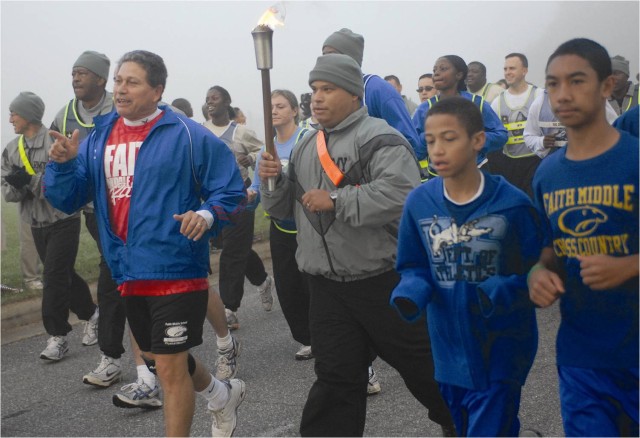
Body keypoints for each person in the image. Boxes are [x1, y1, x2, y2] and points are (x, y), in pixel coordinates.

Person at [44, 50, 247, 437]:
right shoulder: (99, 135)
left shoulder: (186, 133)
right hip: (127, 269)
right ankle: (221, 396)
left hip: (176, 268)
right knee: (160, 360)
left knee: (169, 368)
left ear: (157, 91)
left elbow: (230, 188)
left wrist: (205, 216)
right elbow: (67, 199)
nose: (121, 89)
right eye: (119, 80)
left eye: (132, 82)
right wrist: (65, 164)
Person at [259, 53, 455, 437]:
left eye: (328, 89)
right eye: (315, 89)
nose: (317, 97)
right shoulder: (304, 145)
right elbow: (284, 210)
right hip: (327, 288)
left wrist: (336, 201)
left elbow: (402, 194)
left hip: (382, 279)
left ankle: (467, 423)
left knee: (425, 369)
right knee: (335, 378)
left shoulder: (379, 136)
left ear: (353, 94)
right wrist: (273, 184)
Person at [391, 96, 542, 436]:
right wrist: (412, 289)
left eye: (449, 138)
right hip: (448, 355)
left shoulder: (512, 204)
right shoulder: (420, 202)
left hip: (501, 351)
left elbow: (539, 268)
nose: (437, 150)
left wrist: (503, 289)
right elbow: (412, 263)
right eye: (430, 141)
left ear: (478, 141)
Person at [528, 38, 638, 437]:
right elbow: (547, 247)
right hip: (582, 355)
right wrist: (537, 273)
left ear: (607, 86)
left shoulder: (634, 160)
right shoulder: (548, 174)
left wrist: (629, 264)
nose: (563, 95)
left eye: (576, 81)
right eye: (553, 84)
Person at [2, 92, 97, 362]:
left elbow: (63, 187)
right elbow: (7, 193)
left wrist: (30, 181)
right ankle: (92, 313)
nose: (10, 118)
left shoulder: (56, 142)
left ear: (29, 115)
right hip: (35, 222)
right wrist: (18, 186)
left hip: (63, 219)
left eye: (14, 113)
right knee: (63, 273)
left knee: (53, 277)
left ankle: (58, 336)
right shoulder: (10, 149)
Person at [50, 50, 115, 348]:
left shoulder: (121, 105)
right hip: (91, 207)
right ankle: (113, 345)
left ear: (101, 78)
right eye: (74, 72)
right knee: (111, 270)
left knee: (114, 273)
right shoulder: (64, 115)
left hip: (123, 201)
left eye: (83, 72)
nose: (75, 77)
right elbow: (57, 159)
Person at [249, 89, 312, 360]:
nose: (274, 111)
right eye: (270, 107)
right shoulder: (266, 148)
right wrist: (248, 195)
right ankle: (307, 338)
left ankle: (330, 338)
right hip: (280, 228)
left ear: (295, 110)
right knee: (288, 288)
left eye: (280, 106)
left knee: (314, 286)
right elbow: (256, 186)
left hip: (309, 227)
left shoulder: (306, 140)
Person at [204, 85, 274, 330]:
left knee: (232, 251)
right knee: (233, 245)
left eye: (215, 98)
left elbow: (263, 148)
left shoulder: (240, 132)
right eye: (207, 99)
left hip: (240, 193)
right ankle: (263, 280)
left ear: (227, 102)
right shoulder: (202, 131)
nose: (210, 102)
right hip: (213, 195)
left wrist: (251, 158)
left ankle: (229, 307)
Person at [322, 28, 426, 161]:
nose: (325, 61)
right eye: (323, 55)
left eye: (331, 54)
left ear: (349, 57)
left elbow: (409, 144)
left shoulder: (377, 89)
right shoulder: (326, 93)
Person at [412, 55, 507, 179]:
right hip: (438, 177)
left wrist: (471, 140)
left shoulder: (476, 103)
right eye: (435, 70)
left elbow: (501, 135)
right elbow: (415, 150)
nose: (436, 73)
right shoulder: (424, 109)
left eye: (443, 69)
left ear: (459, 75)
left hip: (476, 173)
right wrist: (432, 136)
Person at [488, 53, 545, 198]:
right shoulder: (497, 102)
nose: (507, 72)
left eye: (512, 68)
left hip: (538, 161)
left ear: (524, 70)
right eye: (505, 69)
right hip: (511, 165)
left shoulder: (540, 95)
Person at [524, 90, 619, 159]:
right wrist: (541, 142)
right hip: (555, 165)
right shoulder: (540, 102)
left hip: (589, 161)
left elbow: (615, 129)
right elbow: (528, 136)